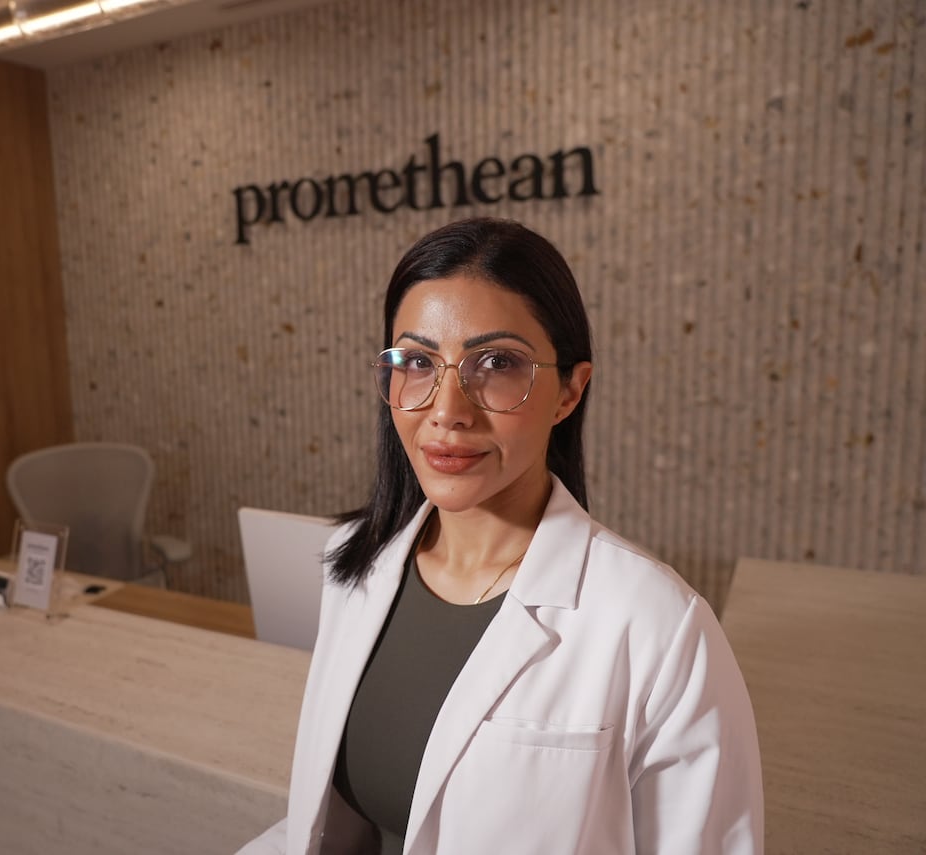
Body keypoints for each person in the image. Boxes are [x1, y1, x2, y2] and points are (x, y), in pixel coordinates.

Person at [237, 218, 763, 854]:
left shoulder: (658, 627)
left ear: (571, 390)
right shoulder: (357, 566)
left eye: (497, 363)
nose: (447, 409)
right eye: (417, 362)